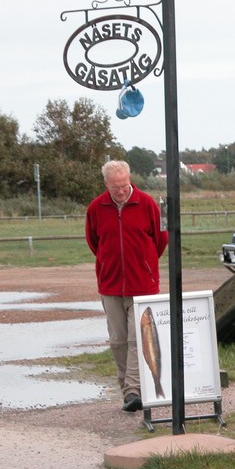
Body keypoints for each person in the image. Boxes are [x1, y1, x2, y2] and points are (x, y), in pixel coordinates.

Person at [86, 160, 169, 412]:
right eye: (115, 187)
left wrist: (144, 265)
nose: (120, 191)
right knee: (118, 341)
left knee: (137, 339)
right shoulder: (96, 208)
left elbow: (160, 240)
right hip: (110, 285)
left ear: (130, 179)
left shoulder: (147, 204)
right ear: (106, 185)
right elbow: (94, 242)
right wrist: (107, 264)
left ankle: (133, 389)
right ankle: (127, 387)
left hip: (142, 284)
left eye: (124, 185)